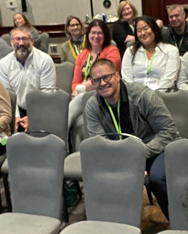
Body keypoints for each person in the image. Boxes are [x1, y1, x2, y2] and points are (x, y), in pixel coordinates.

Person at [84, 58, 180, 219]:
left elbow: (168, 132)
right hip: (119, 155)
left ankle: (178, 222)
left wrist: (138, 155)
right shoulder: (92, 106)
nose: (102, 83)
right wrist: (126, 160)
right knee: (102, 176)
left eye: (106, 77)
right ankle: (118, 226)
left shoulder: (143, 95)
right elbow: (99, 144)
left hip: (154, 149)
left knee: (158, 178)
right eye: (96, 80)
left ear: (117, 75)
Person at [0, 27, 56, 132]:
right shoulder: (4, 63)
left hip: (42, 108)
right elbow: (8, 94)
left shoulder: (45, 60)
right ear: (11, 42)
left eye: (25, 39)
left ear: (32, 41)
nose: (21, 43)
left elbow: (47, 94)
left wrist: (32, 117)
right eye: (17, 39)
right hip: (16, 110)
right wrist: (16, 117)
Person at [121, 16, 180, 90]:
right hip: (136, 96)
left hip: (162, 96)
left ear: (154, 29)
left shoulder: (171, 50)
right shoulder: (130, 51)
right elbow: (127, 79)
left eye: (146, 29)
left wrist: (153, 97)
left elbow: (168, 80)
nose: (143, 33)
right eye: (139, 30)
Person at [71, 20, 121, 96]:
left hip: (104, 91)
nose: (96, 36)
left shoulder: (112, 51)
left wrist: (81, 88)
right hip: (83, 94)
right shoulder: (82, 55)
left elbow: (103, 77)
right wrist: (78, 91)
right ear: (88, 35)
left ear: (105, 35)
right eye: (93, 32)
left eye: (100, 33)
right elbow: (76, 82)